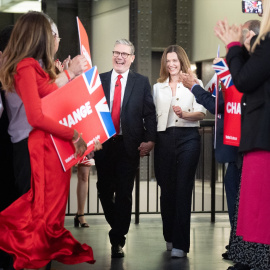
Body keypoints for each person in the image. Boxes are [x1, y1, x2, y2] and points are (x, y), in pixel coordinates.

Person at [0, 11, 96, 270]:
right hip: (38, 149)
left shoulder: (29, 66)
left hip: (47, 149)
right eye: (50, 34)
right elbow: (37, 116)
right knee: (38, 219)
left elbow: (53, 101)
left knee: (45, 219)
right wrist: (74, 135)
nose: (54, 39)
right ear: (37, 35)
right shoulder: (25, 67)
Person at [214, 0, 270, 268]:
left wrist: (234, 47)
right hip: (260, 136)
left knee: (258, 211)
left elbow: (245, 80)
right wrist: (244, 51)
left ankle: (257, 261)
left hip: (263, 136)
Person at [94, 38, 157, 258]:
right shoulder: (99, 80)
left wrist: (150, 140)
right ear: (113, 55)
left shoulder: (141, 82)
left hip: (128, 146)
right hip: (103, 145)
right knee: (103, 190)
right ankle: (118, 225)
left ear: (131, 58)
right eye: (116, 53)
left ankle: (118, 239)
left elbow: (149, 113)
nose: (119, 57)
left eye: (124, 54)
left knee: (124, 194)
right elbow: (90, 111)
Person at [153, 45, 206, 258]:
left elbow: (202, 114)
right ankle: (170, 236)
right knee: (167, 191)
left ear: (182, 61)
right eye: (168, 61)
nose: (171, 64)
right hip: (164, 139)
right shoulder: (157, 87)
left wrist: (185, 114)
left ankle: (181, 244)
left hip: (189, 139)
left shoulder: (195, 83)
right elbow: (151, 115)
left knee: (183, 189)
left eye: (175, 60)